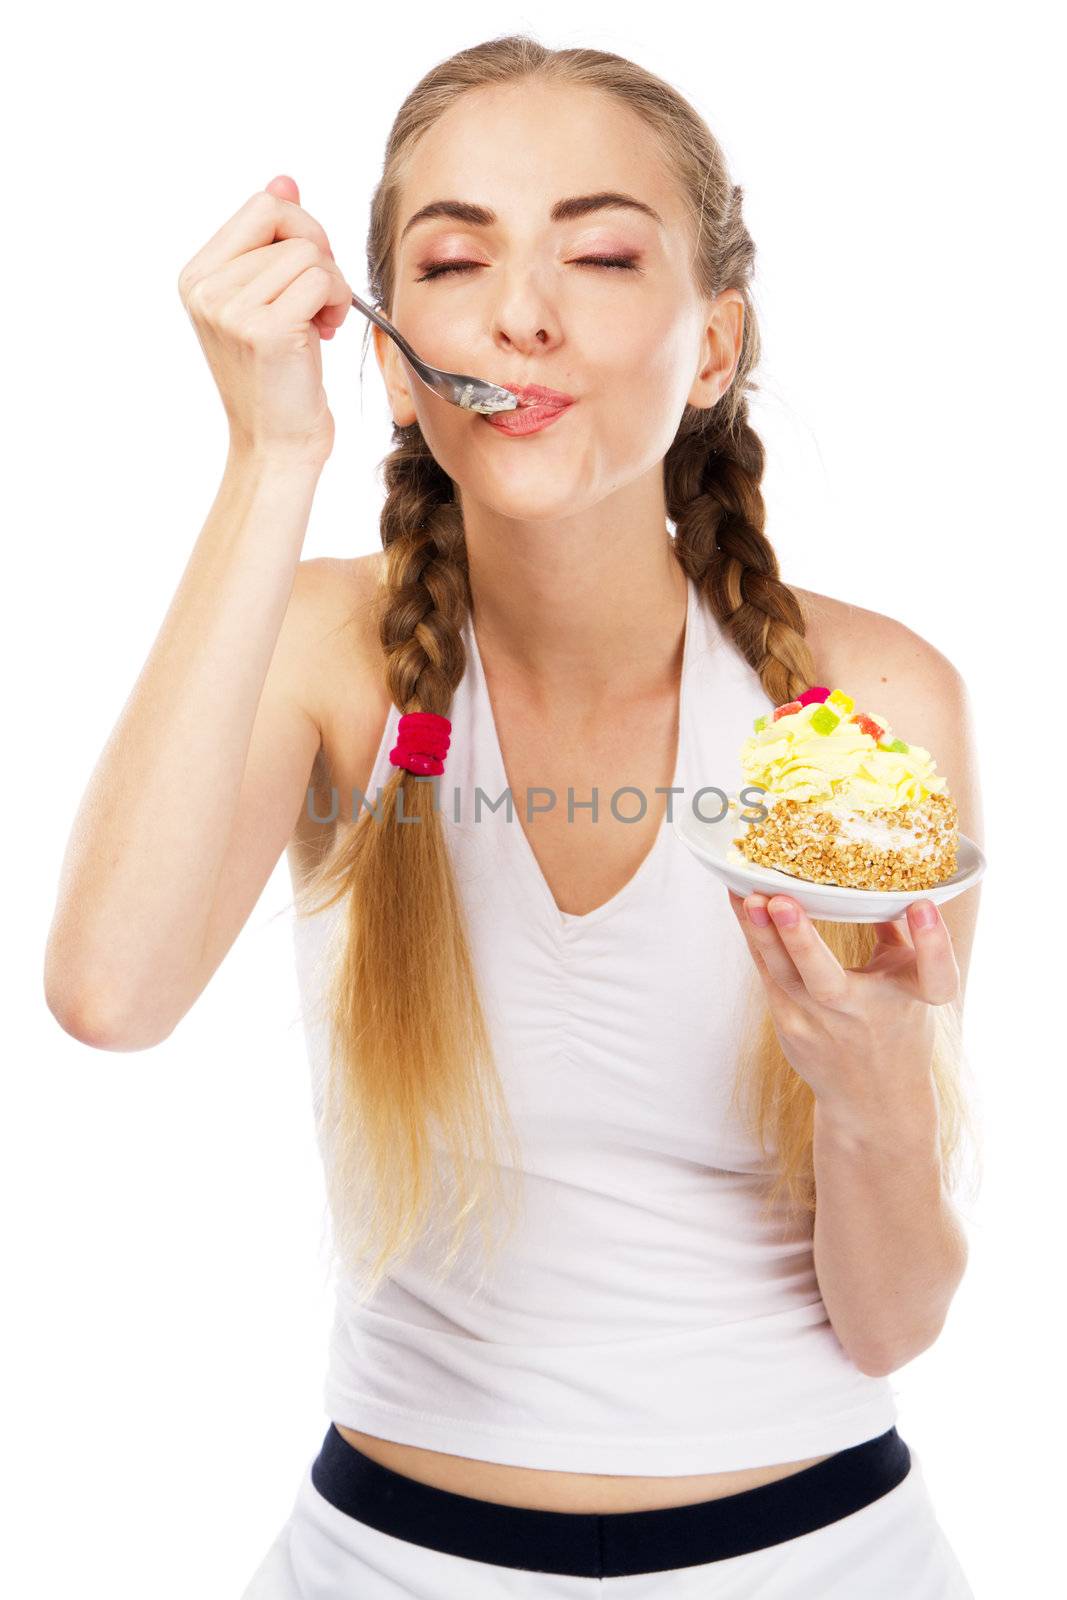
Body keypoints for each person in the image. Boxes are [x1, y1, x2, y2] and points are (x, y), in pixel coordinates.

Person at [45, 33, 982, 1600]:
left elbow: (891, 1322)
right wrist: (273, 449)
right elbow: (108, 993)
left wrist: (881, 1085)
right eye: (454, 257)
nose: (519, 309)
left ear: (711, 345)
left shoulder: (861, 708)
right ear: (393, 340)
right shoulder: (331, 656)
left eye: (603, 252)